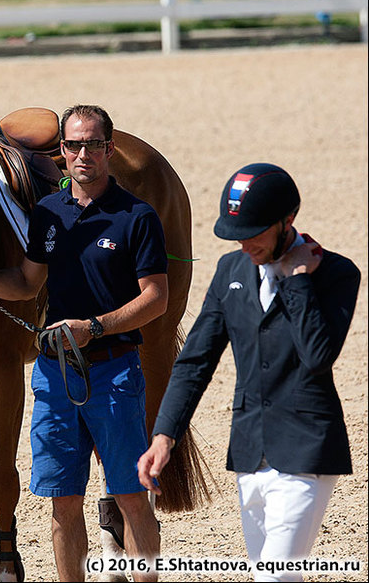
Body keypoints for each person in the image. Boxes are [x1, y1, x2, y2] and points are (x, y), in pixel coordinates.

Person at [0, 104, 168, 582]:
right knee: (63, 503)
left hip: (115, 371)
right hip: (54, 374)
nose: (84, 154)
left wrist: (96, 327)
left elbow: (157, 299)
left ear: (110, 149)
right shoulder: (47, 213)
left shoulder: (136, 216)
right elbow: (25, 282)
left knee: (130, 498)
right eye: (75, 145)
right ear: (63, 151)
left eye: (94, 145)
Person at [138, 163, 360, 582]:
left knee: (273, 578)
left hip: (305, 453)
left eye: (253, 233)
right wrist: (164, 436)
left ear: (287, 220)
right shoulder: (231, 271)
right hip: (248, 453)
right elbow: (195, 361)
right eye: (237, 235)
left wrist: (297, 284)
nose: (244, 246)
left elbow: (318, 357)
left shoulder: (336, 273)